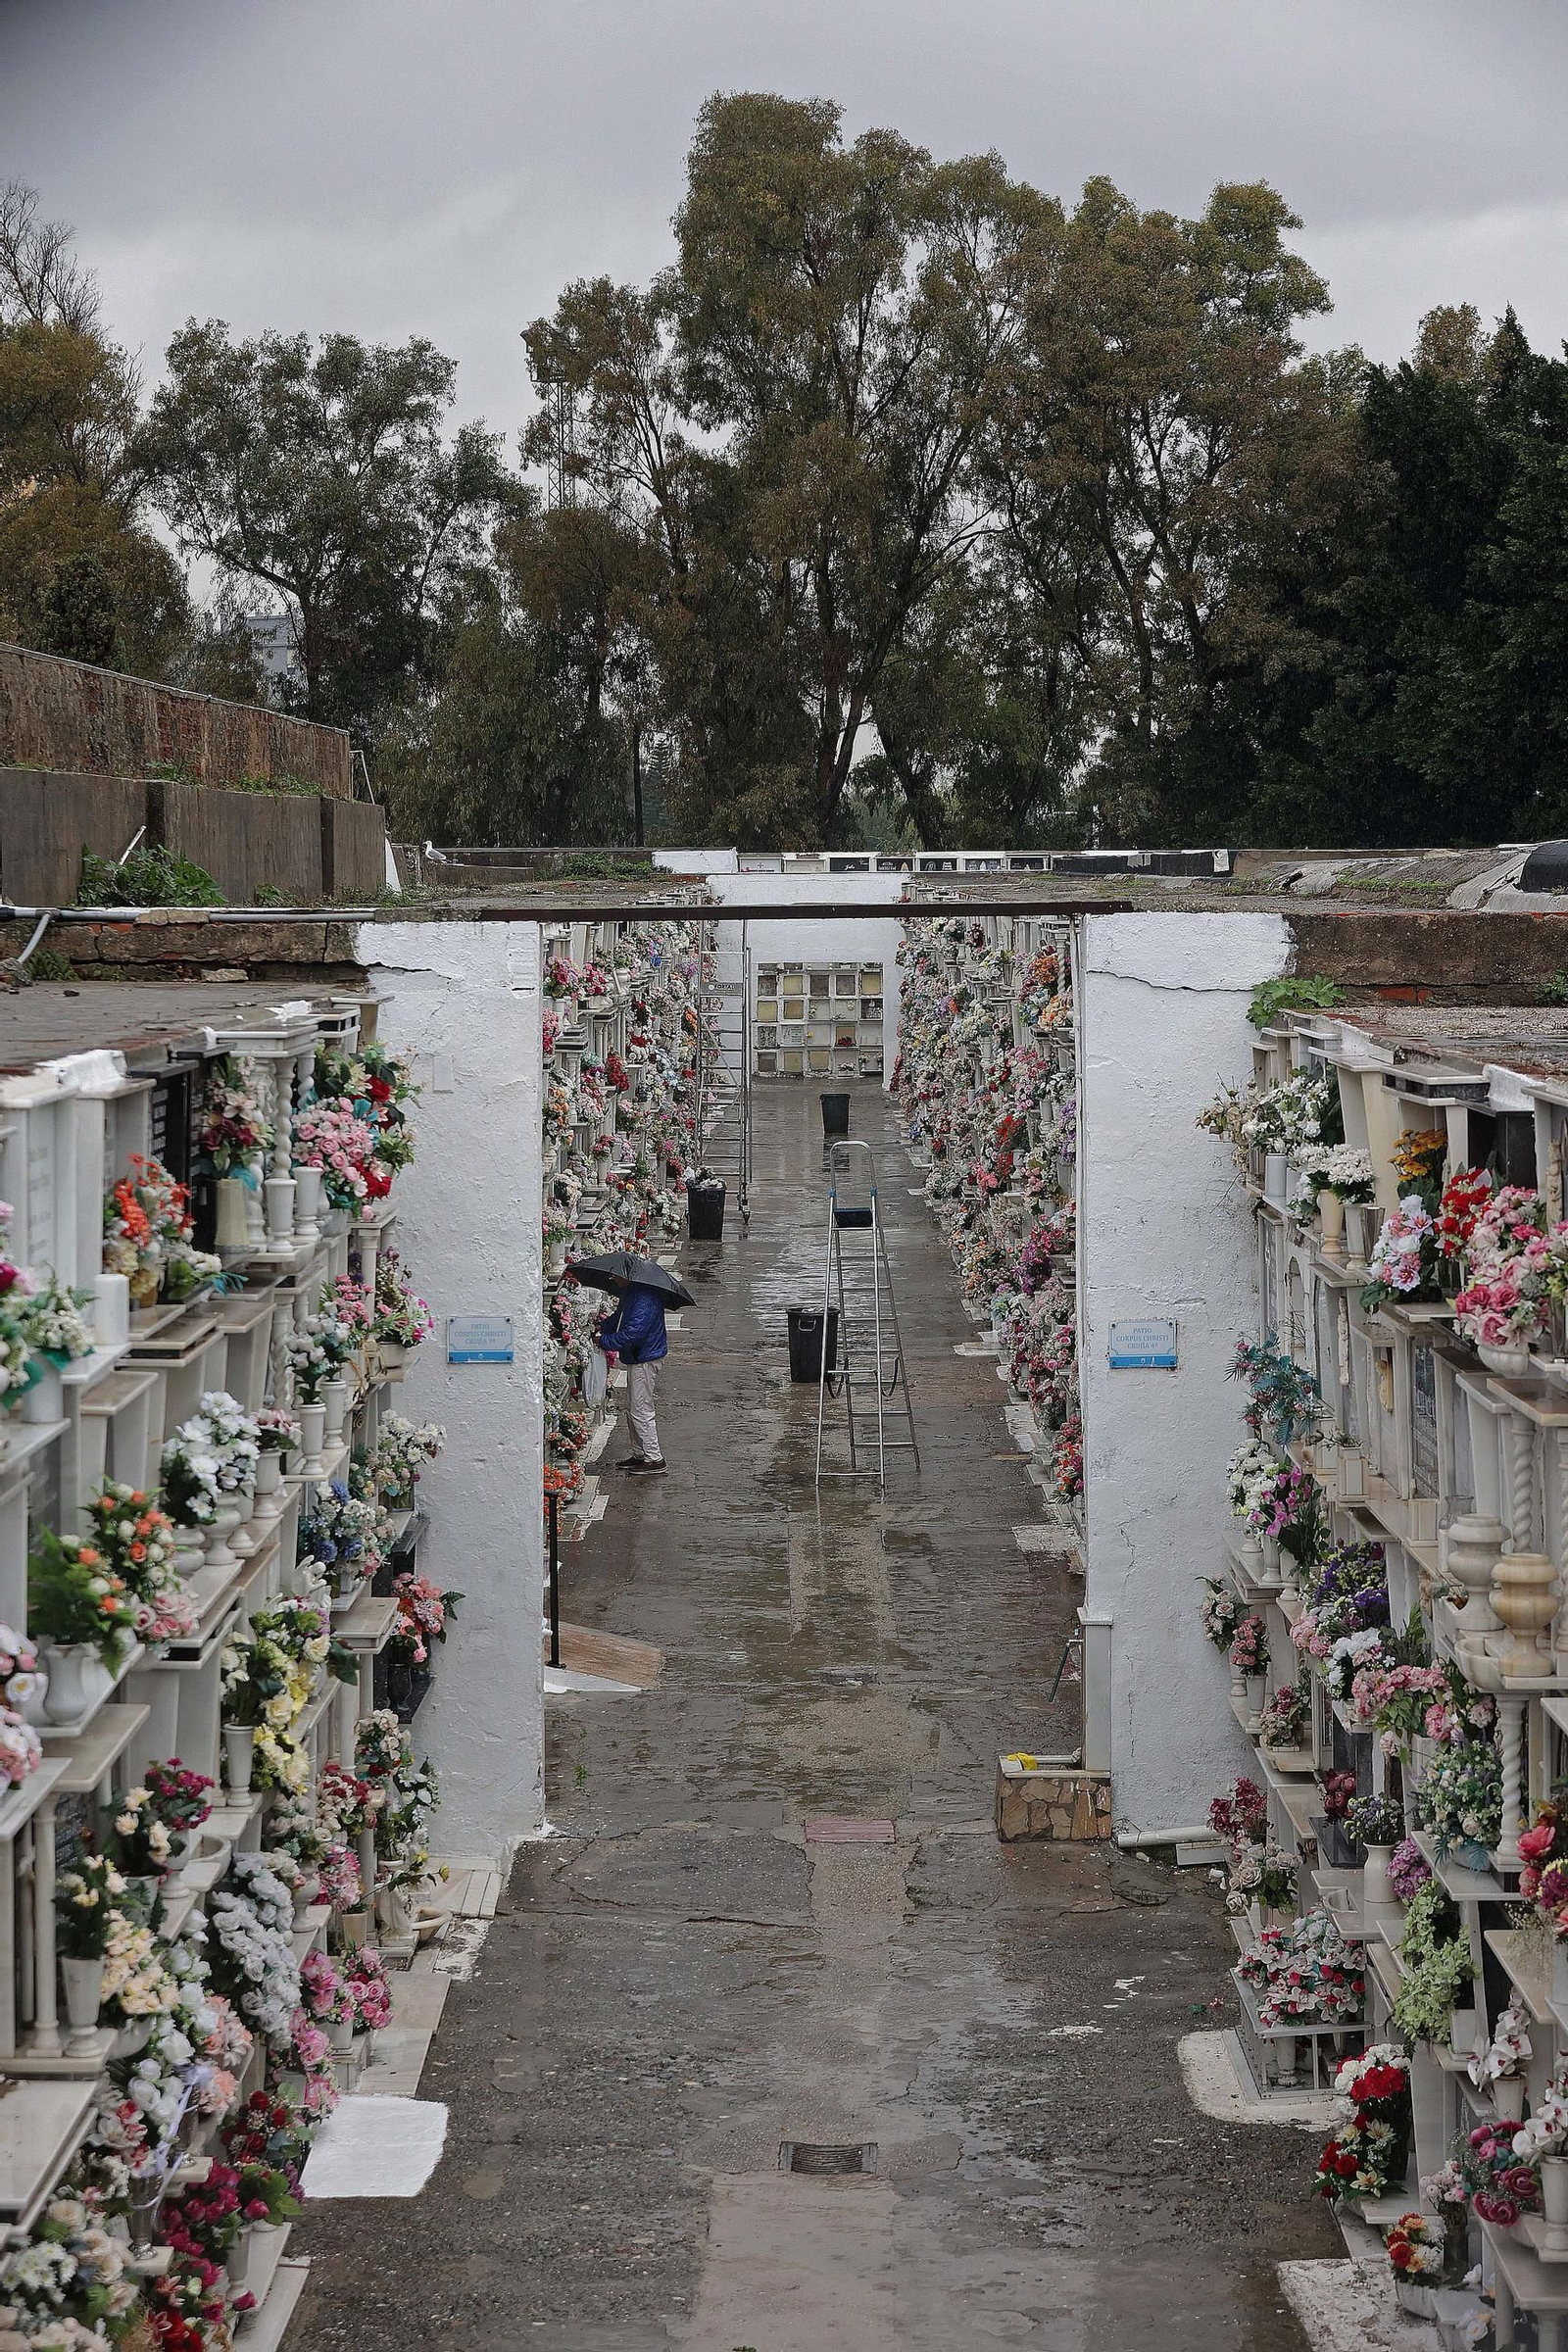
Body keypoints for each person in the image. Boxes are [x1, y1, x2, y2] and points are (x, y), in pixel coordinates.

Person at [595, 1280, 668, 1474]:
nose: (613, 1281)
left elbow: (633, 1333)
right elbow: (620, 1319)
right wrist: (601, 1326)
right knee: (633, 1407)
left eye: (616, 1277)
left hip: (644, 1357)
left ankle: (654, 1457)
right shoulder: (632, 1293)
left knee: (640, 1408)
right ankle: (640, 1454)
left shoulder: (643, 1297)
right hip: (639, 1355)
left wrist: (603, 1340)